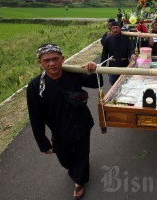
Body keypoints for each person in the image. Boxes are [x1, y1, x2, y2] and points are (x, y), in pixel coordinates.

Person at [26, 43, 103, 200]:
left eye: (55, 59)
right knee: (65, 159)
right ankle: (75, 171)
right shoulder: (35, 87)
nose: (52, 63)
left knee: (82, 155)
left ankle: (79, 181)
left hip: (82, 124)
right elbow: (35, 116)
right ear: (39, 63)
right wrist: (43, 143)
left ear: (62, 59)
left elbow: (96, 83)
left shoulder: (73, 74)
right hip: (60, 132)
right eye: (46, 60)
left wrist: (94, 70)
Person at [101, 21, 136, 85]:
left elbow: (131, 48)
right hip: (112, 65)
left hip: (124, 65)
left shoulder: (126, 39)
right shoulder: (108, 39)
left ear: (120, 28)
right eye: (113, 28)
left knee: (125, 83)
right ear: (111, 29)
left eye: (117, 28)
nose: (115, 30)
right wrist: (102, 66)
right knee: (113, 83)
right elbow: (104, 53)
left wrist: (132, 54)